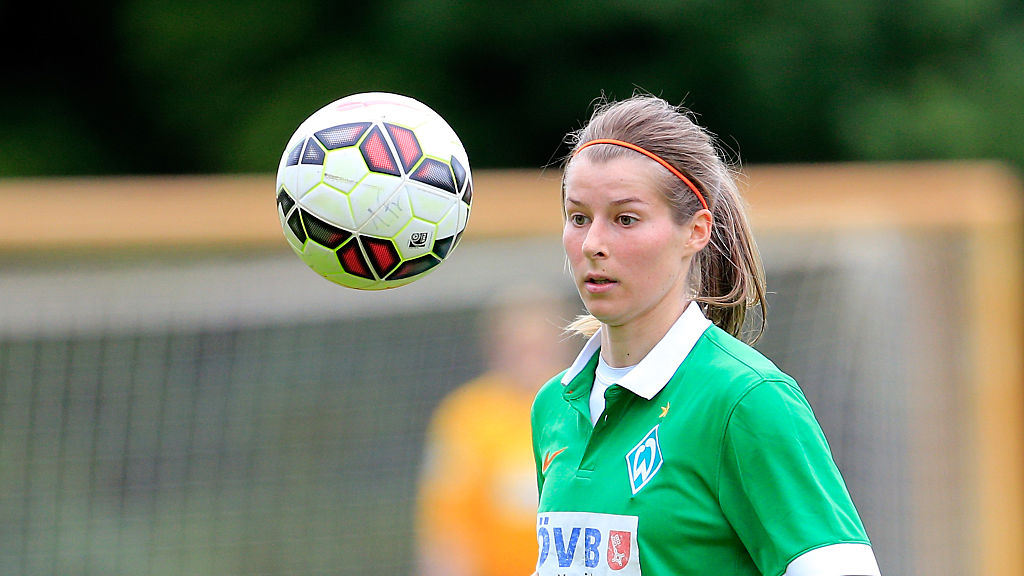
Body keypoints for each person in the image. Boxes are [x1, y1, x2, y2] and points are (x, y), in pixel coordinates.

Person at [530, 94, 881, 576]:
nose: (592, 245)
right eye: (579, 217)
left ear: (695, 231)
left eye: (625, 218)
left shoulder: (745, 399)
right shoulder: (553, 407)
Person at [417, 288, 576, 576]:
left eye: (539, 347)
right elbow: (447, 529)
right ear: (495, 348)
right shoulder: (467, 416)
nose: (530, 359)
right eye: (519, 347)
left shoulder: (587, 409)